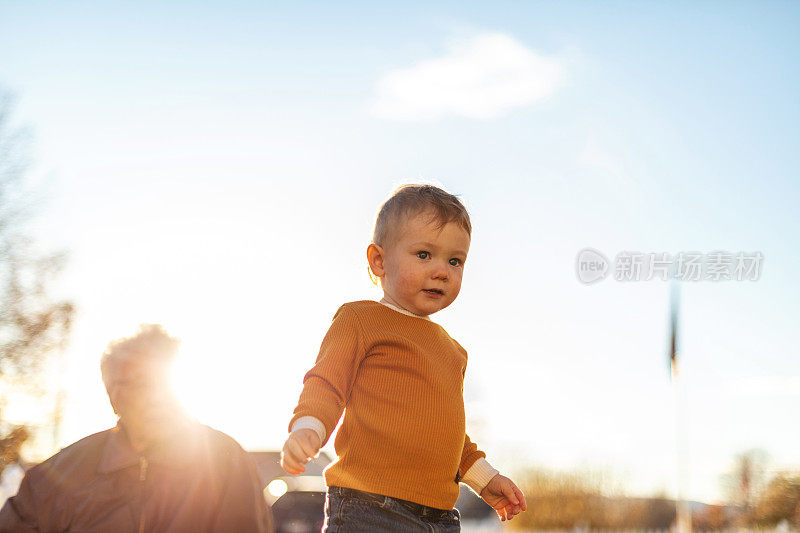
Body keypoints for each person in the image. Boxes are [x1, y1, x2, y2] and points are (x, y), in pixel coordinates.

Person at [281, 184, 528, 532]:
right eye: (424, 254)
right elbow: (326, 383)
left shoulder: (452, 351)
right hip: (367, 508)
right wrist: (308, 427)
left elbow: (450, 434)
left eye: (454, 260)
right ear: (379, 260)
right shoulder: (360, 319)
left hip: (440, 518)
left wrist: (486, 479)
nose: (442, 270)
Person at [0, 324, 273, 533]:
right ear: (113, 395)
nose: (157, 395)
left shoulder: (225, 461)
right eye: (142, 383)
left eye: (162, 380)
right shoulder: (53, 478)